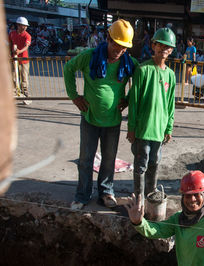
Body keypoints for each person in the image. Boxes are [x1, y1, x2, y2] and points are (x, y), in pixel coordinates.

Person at [64, 19, 139, 210]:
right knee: (86, 159)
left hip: (112, 121)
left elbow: (141, 77)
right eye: (117, 45)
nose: (119, 50)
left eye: (124, 47)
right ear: (108, 38)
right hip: (90, 119)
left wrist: (128, 98)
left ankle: (106, 192)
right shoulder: (89, 56)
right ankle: (82, 195)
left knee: (109, 159)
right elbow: (68, 69)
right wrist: (74, 97)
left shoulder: (128, 62)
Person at [126, 28, 176, 205]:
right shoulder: (143, 70)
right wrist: (131, 128)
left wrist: (169, 127)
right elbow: (134, 102)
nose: (163, 49)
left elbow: (170, 104)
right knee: (141, 164)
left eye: (167, 46)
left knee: (155, 161)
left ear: (171, 50)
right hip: (143, 128)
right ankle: (138, 196)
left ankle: (151, 191)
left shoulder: (170, 74)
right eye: (160, 45)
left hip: (159, 129)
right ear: (153, 45)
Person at [9, 17, 32, 105]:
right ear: (18, 25)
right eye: (24, 26)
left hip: (24, 60)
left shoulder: (27, 35)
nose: (25, 27)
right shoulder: (12, 34)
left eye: (26, 26)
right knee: (13, 77)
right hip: (14, 59)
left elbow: (26, 46)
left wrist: (19, 51)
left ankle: (25, 94)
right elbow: (10, 43)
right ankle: (14, 93)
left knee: (24, 78)